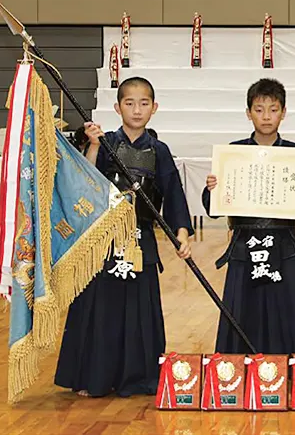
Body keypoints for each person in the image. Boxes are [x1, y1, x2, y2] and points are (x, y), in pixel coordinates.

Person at [55, 77, 194, 398]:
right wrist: (91, 145)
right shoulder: (104, 144)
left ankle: (140, 377)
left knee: (139, 312)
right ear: (118, 107)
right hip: (104, 240)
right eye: (129, 103)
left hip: (140, 239)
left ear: (154, 108)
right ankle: (95, 376)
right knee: (99, 308)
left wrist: (181, 234)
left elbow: (173, 195)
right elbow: (85, 182)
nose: (136, 110)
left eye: (144, 103)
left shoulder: (159, 151)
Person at [202, 78, 295, 354]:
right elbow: (212, 206)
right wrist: (213, 189)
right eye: (259, 109)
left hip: (285, 246)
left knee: (288, 309)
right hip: (245, 244)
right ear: (248, 113)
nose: (266, 116)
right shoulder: (233, 153)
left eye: (273, 109)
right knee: (241, 309)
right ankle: (236, 370)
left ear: (283, 112)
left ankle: (290, 369)